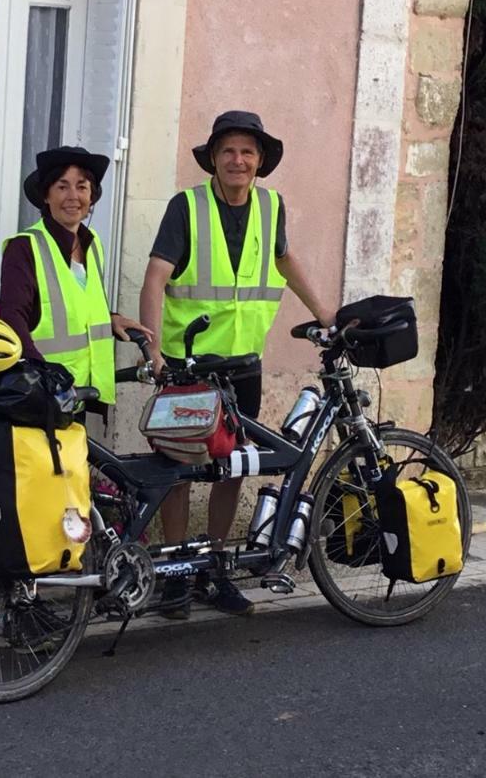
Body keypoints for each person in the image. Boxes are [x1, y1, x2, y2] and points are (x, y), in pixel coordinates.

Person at [140, 111, 336, 617]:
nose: (238, 160)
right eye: (228, 150)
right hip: (188, 367)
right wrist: (153, 350)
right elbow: (156, 277)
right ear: (213, 158)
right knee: (179, 471)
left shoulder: (272, 207)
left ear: (260, 161)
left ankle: (212, 568)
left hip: (244, 365)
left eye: (248, 152)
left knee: (233, 469)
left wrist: (324, 314)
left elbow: (285, 259)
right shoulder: (187, 206)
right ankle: (177, 576)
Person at [0, 146, 152, 408]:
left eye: (82, 187)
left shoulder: (93, 246)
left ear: (92, 196)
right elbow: (13, 318)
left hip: (81, 392)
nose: (73, 196)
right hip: (43, 394)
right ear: (46, 195)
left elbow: (74, 301)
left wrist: (111, 319)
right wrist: (43, 377)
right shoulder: (24, 247)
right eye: (62, 186)